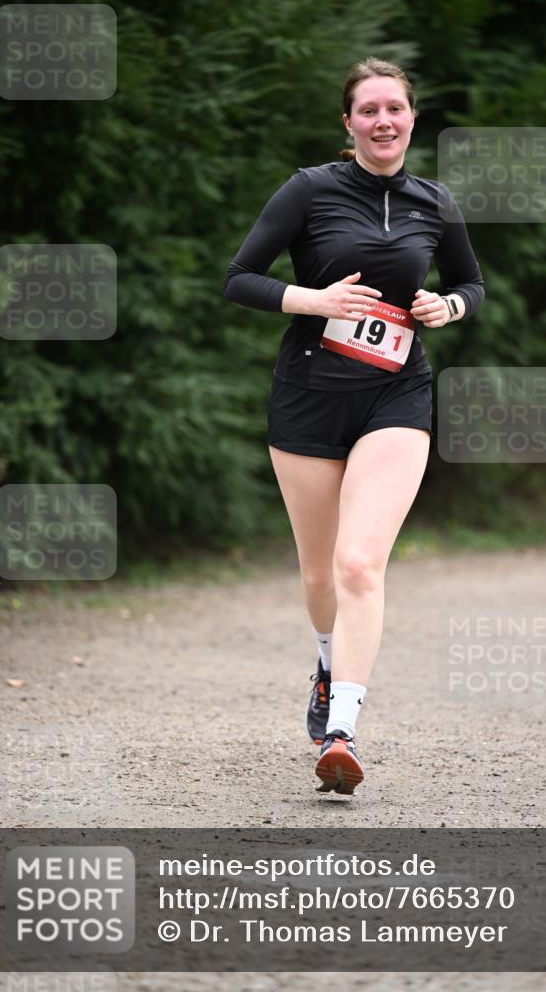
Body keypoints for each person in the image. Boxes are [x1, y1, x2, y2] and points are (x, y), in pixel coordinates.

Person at [223, 57, 484, 795]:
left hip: (395, 397)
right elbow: (238, 276)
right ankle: (325, 662)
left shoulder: (434, 201)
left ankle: (341, 730)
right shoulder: (310, 189)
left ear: (411, 117)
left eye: (394, 108)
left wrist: (449, 307)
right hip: (306, 397)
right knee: (317, 573)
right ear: (348, 123)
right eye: (367, 109)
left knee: (359, 564)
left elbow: (470, 283)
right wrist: (313, 301)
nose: (382, 121)